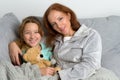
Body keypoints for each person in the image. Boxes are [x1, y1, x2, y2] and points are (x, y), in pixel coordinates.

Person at [9, 3, 119, 80]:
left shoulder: (90, 35)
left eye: (60, 19)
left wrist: (60, 75)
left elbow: (91, 65)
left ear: (68, 15)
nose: (59, 26)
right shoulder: (54, 39)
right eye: (53, 24)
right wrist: (13, 44)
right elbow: (33, 38)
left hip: (87, 75)